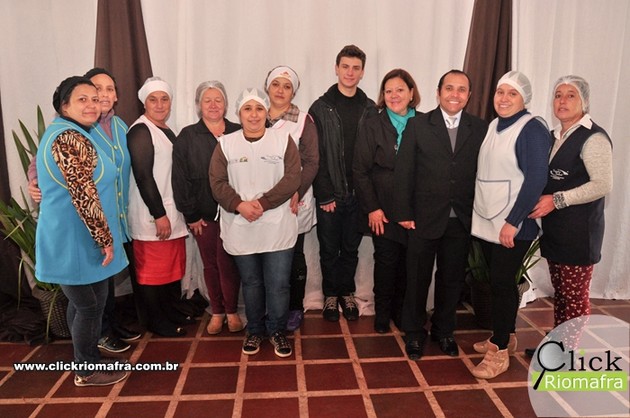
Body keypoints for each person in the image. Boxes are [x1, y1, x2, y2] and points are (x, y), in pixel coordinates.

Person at [27, 68, 142, 354]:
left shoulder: (78, 132)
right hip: (76, 237)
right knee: (89, 308)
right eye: (83, 99)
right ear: (64, 106)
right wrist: (104, 239)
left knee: (85, 306)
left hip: (81, 235)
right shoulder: (69, 137)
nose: (92, 103)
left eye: (94, 98)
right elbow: (84, 195)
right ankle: (87, 368)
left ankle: (86, 361)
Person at [393, 70, 488, 359]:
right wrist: (403, 211)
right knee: (417, 278)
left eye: (461, 89)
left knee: (452, 279)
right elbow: (404, 171)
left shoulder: (480, 128)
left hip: (461, 218)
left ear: (468, 96)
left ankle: (444, 331)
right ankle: (413, 332)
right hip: (422, 217)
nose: (454, 94)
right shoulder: (418, 125)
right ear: (438, 92)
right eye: (449, 88)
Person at [470, 71, 551, 379]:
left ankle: (500, 352)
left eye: (512, 93)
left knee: (503, 285)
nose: (503, 98)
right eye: (500, 92)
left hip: (513, 225)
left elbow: (536, 180)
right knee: (498, 283)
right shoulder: (494, 125)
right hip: (489, 219)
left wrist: (513, 221)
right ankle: (505, 335)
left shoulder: (532, 129)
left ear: (524, 98)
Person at [210, 88, 301, 358]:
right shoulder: (225, 144)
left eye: (259, 108)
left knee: (278, 284)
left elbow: (292, 178)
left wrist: (263, 203)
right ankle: (255, 330)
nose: (254, 114)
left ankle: (277, 331)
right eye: (247, 109)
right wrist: (239, 204)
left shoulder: (283, 140)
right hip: (241, 224)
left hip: (276, 225)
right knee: (251, 283)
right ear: (239, 113)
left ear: (266, 113)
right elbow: (216, 182)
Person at [528, 75, 612, 347]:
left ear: (584, 101)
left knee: (574, 298)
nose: (562, 101)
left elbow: (602, 184)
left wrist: (557, 200)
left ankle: (568, 354)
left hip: (579, 232)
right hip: (556, 231)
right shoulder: (554, 136)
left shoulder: (593, 137)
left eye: (570, 95)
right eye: (558, 95)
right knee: (562, 294)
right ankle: (557, 347)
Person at [309, 44, 375, 322]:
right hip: (330, 195)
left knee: (350, 248)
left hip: (359, 195)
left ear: (362, 72)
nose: (350, 72)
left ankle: (346, 293)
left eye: (356, 68)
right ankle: (329, 295)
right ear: (336, 68)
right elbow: (314, 154)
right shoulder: (320, 107)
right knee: (328, 249)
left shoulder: (370, 108)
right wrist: (324, 193)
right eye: (345, 66)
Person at [172, 81, 244, 335]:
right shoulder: (188, 136)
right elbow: (180, 179)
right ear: (198, 105)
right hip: (203, 215)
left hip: (236, 213)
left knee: (229, 263)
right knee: (211, 264)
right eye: (207, 100)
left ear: (226, 104)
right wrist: (191, 215)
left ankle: (232, 310)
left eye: (218, 100)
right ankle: (218, 311)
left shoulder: (239, 131)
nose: (213, 105)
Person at [353, 68, 420, 334]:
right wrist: (373, 208)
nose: (394, 96)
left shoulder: (425, 124)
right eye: (388, 91)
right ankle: (382, 312)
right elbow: (360, 170)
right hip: (383, 208)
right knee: (386, 261)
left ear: (411, 93)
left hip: (415, 209)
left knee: (408, 264)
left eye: (400, 90)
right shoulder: (373, 124)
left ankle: (401, 311)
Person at [127, 77, 190, 337]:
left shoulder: (164, 129)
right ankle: (155, 321)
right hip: (152, 214)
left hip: (170, 211)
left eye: (164, 99)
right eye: (153, 99)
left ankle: (170, 311)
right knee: (152, 272)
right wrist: (159, 214)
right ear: (145, 102)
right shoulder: (141, 131)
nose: (160, 104)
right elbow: (143, 176)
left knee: (169, 269)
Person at [264, 65, 319, 331]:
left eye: (287, 87)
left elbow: (311, 162)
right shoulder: (255, 115)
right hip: (262, 202)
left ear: (293, 92)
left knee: (294, 254)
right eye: (276, 84)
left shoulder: (304, 121)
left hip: (294, 200)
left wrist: (296, 190)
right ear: (267, 88)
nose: (280, 90)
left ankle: (295, 307)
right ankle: (270, 307)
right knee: (265, 254)